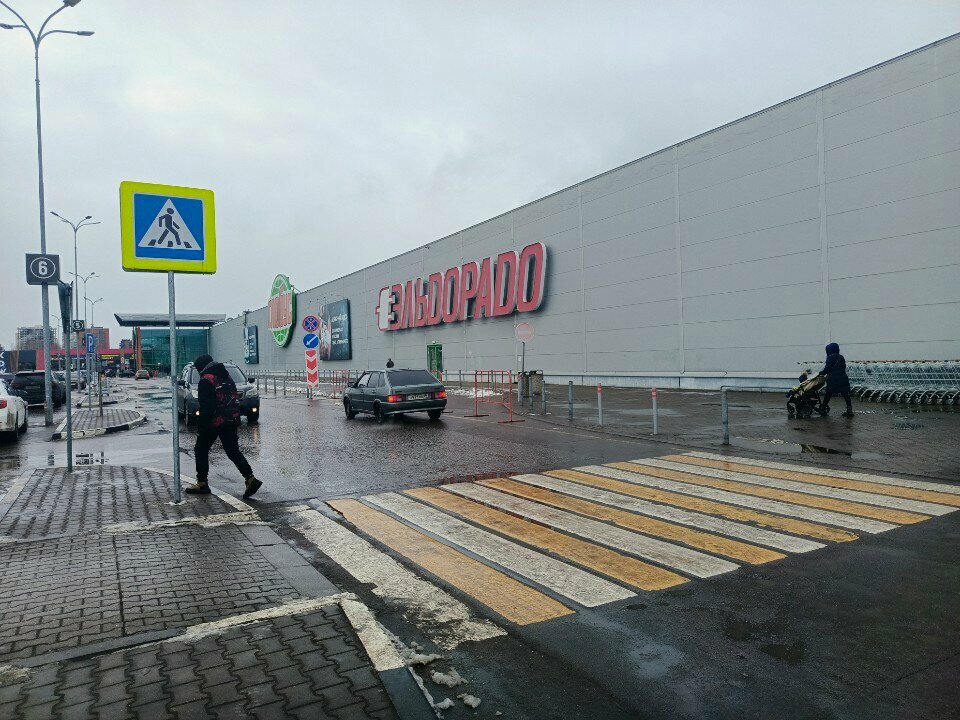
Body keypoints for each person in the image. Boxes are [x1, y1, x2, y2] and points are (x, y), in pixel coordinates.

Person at [185, 354, 263, 498]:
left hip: (215, 421)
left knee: (200, 449)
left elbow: (207, 407)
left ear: (202, 367)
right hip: (231, 419)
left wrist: (202, 427)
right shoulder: (227, 376)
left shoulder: (206, 380)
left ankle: (202, 483)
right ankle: (250, 478)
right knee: (233, 451)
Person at [818, 343, 854, 417]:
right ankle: (849, 410)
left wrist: (820, 373)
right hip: (843, 379)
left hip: (833, 380)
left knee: (828, 394)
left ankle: (823, 408)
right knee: (846, 395)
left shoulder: (830, 358)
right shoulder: (841, 357)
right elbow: (843, 367)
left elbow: (827, 370)